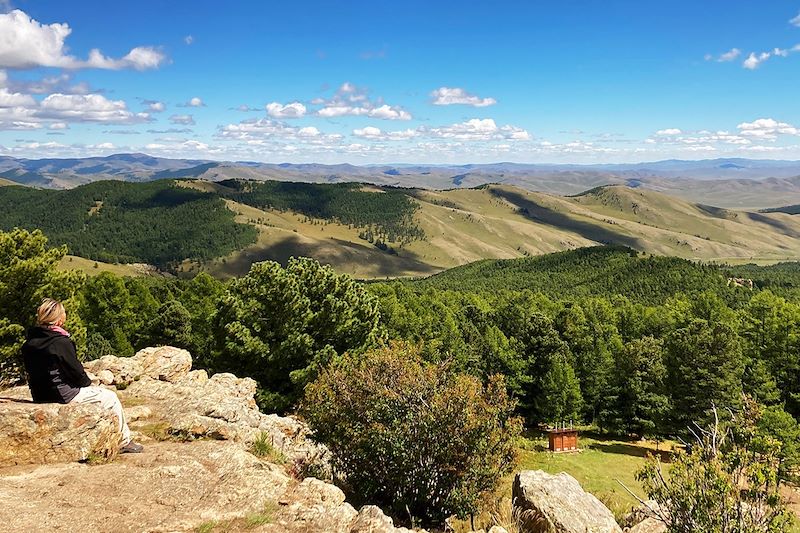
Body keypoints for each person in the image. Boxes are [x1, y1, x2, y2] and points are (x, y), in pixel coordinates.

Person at [21, 298, 143, 454]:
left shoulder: (30, 343)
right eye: (64, 313)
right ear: (59, 320)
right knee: (110, 397)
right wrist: (88, 384)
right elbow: (76, 372)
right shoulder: (60, 342)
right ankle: (123, 441)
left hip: (40, 395)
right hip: (63, 394)